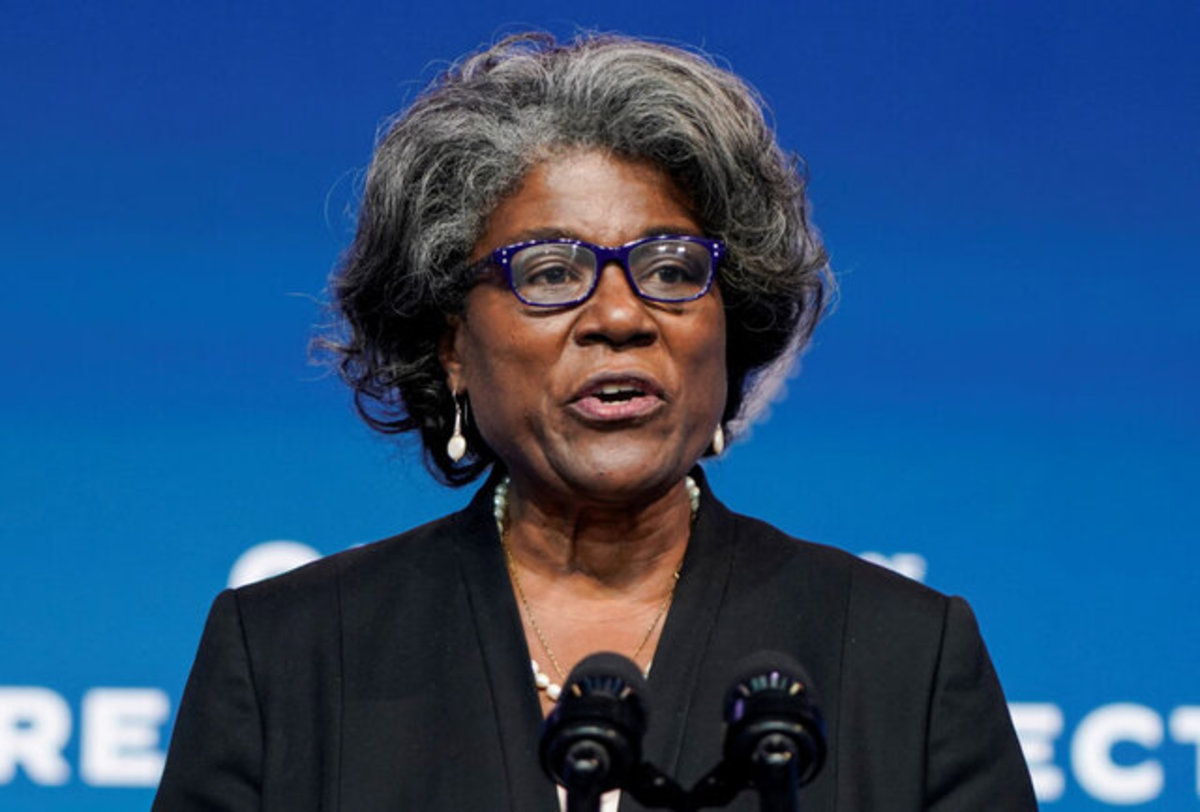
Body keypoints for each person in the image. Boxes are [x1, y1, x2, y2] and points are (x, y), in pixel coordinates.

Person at [152, 32, 1036, 812]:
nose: (619, 315)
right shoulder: (290, 655)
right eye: (549, 272)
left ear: (730, 325)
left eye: (671, 268)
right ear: (451, 343)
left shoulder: (904, 658)